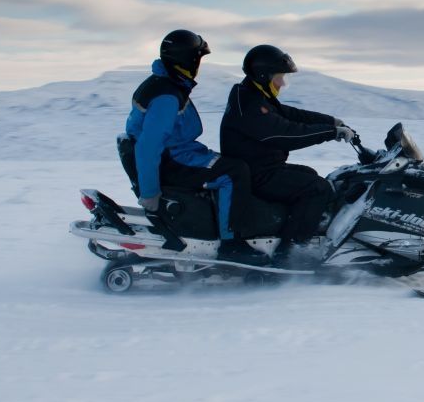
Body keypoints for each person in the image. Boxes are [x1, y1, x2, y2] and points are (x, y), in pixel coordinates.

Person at [125, 30, 265, 264]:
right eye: (197, 58)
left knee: (232, 164)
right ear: (187, 60)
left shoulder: (166, 84)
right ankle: (231, 244)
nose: (199, 64)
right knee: (234, 172)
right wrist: (149, 192)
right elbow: (148, 146)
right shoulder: (166, 96)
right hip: (173, 162)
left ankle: (213, 223)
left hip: (178, 155)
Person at [220, 44, 354, 253]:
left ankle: (288, 228)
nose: (282, 83)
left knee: (310, 175)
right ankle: (291, 251)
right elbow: (284, 133)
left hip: (260, 166)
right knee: (317, 188)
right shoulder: (250, 104)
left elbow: (290, 114)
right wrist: (330, 133)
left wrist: (331, 121)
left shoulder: (254, 95)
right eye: (279, 77)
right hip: (257, 173)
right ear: (263, 75)